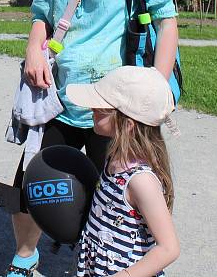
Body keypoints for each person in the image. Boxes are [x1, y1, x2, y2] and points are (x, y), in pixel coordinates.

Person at [5, 0, 179, 276]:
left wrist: (153, 89)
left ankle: (136, 265)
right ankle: (24, 260)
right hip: (61, 97)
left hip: (114, 105)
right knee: (30, 186)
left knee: (124, 196)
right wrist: (33, 48)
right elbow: (42, 13)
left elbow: (166, 20)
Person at [66, 65, 180, 276]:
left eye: (100, 108)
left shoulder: (141, 181)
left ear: (127, 124)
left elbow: (169, 248)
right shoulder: (114, 156)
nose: (92, 109)